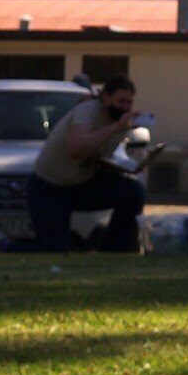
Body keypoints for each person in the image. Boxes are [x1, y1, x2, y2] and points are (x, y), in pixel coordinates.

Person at [25, 74, 147, 252]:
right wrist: (116, 128)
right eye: (121, 101)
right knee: (56, 252)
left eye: (129, 103)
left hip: (81, 185)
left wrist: (120, 168)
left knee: (134, 192)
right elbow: (77, 150)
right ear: (106, 97)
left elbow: (98, 154)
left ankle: (114, 251)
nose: (125, 107)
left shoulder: (121, 124)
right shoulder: (89, 111)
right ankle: (6, 245)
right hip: (50, 188)